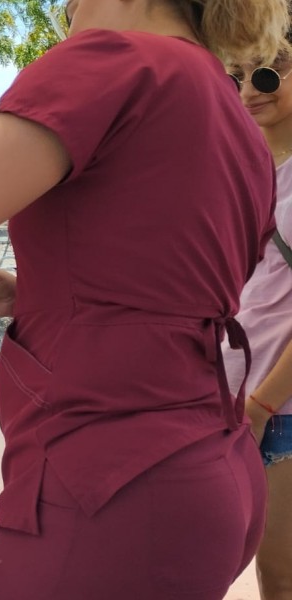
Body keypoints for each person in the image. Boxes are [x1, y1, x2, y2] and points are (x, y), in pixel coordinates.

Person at [0, 0, 291, 598]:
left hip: (110, 482)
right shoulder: (231, 112)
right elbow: (166, 279)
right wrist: (39, 297)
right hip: (210, 460)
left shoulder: (116, 58)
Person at [224, 43, 292, 600]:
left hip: (278, 410)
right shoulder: (242, 170)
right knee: (205, 562)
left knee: (279, 574)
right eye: (237, 75)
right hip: (224, 400)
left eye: (271, 69)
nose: (251, 88)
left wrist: (262, 405)